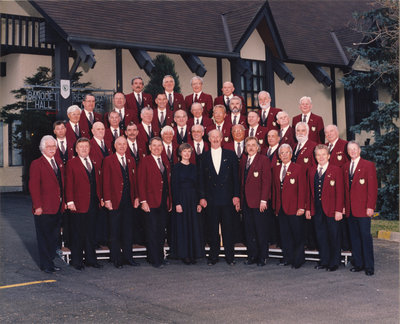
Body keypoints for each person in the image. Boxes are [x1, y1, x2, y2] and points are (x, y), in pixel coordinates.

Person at [199, 129, 240, 266]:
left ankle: (230, 257)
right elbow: (201, 180)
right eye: (213, 137)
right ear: (209, 139)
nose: (215, 139)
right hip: (210, 199)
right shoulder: (203, 157)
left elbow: (236, 177)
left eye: (218, 137)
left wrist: (236, 195)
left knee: (228, 228)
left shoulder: (231, 155)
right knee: (212, 229)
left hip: (228, 198)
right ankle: (213, 257)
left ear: (222, 138)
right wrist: (202, 197)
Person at [65, 138, 103, 270]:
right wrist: (70, 201)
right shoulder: (71, 163)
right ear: (76, 149)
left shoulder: (93, 162)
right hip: (78, 204)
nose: (84, 149)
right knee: (78, 233)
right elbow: (68, 184)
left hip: (92, 203)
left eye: (86, 147)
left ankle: (91, 260)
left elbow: (97, 182)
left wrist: (100, 198)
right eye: (81, 147)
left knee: (91, 233)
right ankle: (76, 261)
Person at [102, 136, 140, 268]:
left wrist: (136, 197)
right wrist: (107, 199)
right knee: (115, 230)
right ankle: (116, 258)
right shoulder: (108, 160)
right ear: (115, 146)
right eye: (120, 144)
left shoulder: (130, 160)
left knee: (128, 230)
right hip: (114, 200)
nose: (122, 146)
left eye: (124, 144)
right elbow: (105, 181)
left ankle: (128, 257)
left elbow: (135, 181)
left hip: (129, 200)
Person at [29, 135, 65, 273]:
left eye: (53, 146)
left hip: (57, 207)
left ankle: (50, 261)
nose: (52, 149)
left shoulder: (58, 162)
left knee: (54, 237)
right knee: (44, 237)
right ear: (43, 148)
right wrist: (37, 205)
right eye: (49, 146)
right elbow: (34, 186)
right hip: (43, 208)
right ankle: (46, 265)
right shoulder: (36, 164)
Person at [305, 144, 344, 272]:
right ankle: (324, 260)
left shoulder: (336, 170)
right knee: (321, 235)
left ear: (328, 156)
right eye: (318, 155)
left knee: (333, 235)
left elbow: (340, 192)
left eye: (323, 154)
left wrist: (339, 210)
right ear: (315, 157)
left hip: (332, 210)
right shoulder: (311, 170)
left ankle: (334, 262)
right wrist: (309, 209)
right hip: (317, 209)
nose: (321, 157)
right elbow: (310, 192)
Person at [343, 141, 378, 276]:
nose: (352, 151)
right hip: (350, 209)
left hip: (363, 209)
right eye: (350, 149)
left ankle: (369, 266)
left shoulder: (368, 165)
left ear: (359, 150)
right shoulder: (346, 167)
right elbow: (345, 190)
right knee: (354, 238)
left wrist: (370, 206)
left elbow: (372, 189)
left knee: (365, 237)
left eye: (355, 149)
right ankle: (358, 264)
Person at [138, 137, 172, 268]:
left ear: (162, 148)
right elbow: (141, 182)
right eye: (154, 146)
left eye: (159, 146)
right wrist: (143, 201)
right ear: (150, 147)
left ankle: (160, 256)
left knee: (161, 231)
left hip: (163, 202)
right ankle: (154, 259)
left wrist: (170, 201)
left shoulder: (165, 161)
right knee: (151, 231)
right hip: (150, 202)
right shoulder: (145, 161)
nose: (157, 148)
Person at [272, 144, 306, 269]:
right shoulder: (276, 169)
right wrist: (276, 207)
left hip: (294, 207)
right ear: (279, 156)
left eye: (287, 153)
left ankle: (298, 260)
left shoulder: (298, 168)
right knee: (285, 235)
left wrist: (301, 207)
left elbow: (302, 189)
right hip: (281, 208)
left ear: (291, 155)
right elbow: (275, 190)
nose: (284, 155)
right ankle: (287, 258)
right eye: (282, 153)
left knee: (297, 235)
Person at [240, 137, 271, 266]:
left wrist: (264, 200)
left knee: (261, 230)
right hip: (246, 202)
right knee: (249, 231)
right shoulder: (243, 160)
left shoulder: (263, 160)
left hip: (259, 202)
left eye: (253, 145)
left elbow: (266, 181)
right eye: (248, 145)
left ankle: (262, 256)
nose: (251, 147)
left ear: (258, 147)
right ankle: (252, 256)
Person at [171, 143, 204, 264]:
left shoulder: (195, 167)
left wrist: (199, 202)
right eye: (184, 151)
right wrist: (177, 203)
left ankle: (193, 253)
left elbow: (199, 185)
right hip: (181, 198)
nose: (186, 154)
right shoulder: (176, 167)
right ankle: (184, 254)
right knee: (183, 226)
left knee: (193, 225)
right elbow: (174, 186)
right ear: (180, 153)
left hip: (193, 198)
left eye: (189, 151)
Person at [325, 124, 351, 251]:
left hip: (342, 188)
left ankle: (345, 247)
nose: (329, 134)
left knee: (342, 220)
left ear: (337, 132)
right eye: (327, 132)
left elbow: (348, 167)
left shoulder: (345, 145)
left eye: (331, 131)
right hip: (328, 190)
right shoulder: (325, 147)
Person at [89, 121, 112, 248]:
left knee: (106, 214)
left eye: (103, 129)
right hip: (96, 183)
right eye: (98, 129)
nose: (101, 131)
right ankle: (96, 240)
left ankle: (105, 238)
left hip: (108, 182)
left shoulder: (109, 144)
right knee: (96, 214)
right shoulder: (89, 145)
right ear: (92, 131)